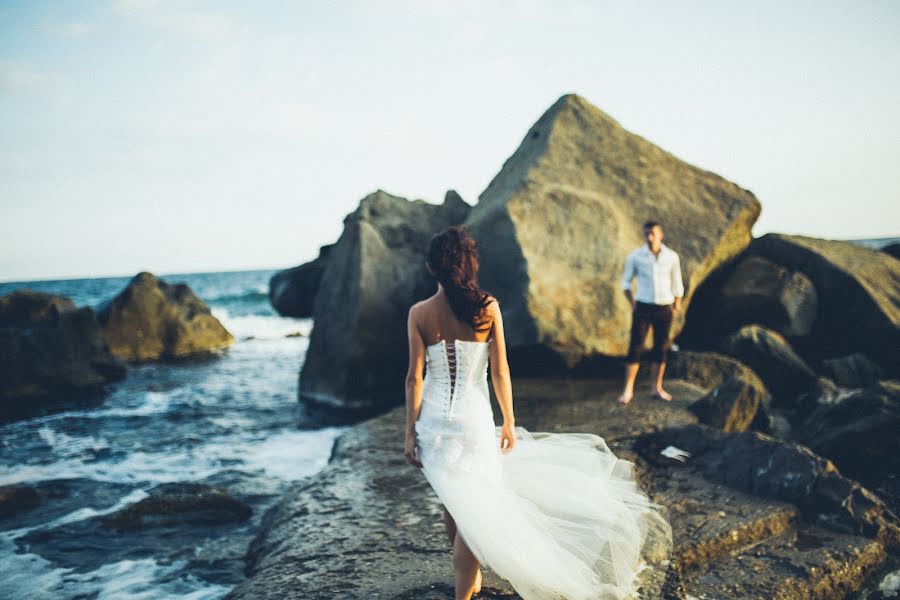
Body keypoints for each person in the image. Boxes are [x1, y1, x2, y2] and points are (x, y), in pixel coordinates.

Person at [404, 225, 671, 600]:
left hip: (434, 423)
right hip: (473, 421)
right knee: (467, 504)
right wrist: (509, 419)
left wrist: (409, 432)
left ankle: (465, 585)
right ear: (469, 265)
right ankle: (469, 577)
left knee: (457, 500)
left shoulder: (419, 312)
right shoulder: (487, 307)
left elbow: (415, 379)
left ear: (433, 267)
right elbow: (500, 370)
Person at [617, 220, 685, 405]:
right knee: (635, 346)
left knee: (661, 348)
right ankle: (628, 390)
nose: (650, 237)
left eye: (653, 233)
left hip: (664, 307)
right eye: (647, 233)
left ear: (660, 235)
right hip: (643, 307)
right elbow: (625, 283)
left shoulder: (671, 257)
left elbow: (677, 283)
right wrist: (632, 303)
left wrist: (677, 303)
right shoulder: (635, 256)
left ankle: (657, 388)